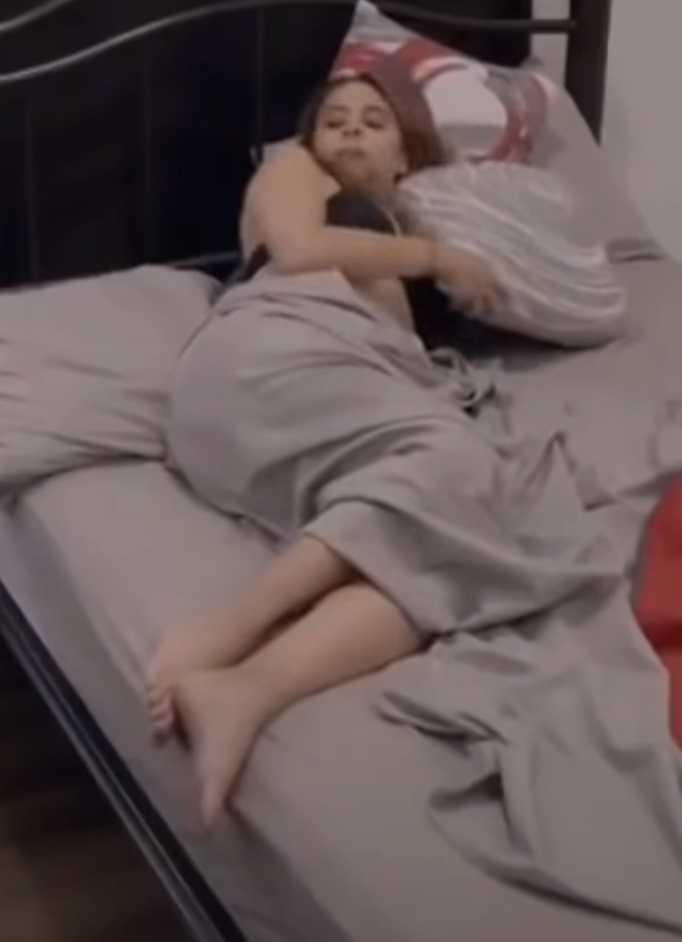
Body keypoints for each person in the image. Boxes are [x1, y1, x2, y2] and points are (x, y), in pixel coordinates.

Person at [146, 57, 506, 829]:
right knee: (464, 468)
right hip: (270, 360)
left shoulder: (407, 219)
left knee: (451, 550)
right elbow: (298, 248)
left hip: (320, 408)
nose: (349, 133)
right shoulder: (295, 171)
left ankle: (248, 691)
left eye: (373, 123)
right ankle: (233, 626)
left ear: (405, 155)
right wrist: (437, 257)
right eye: (334, 121)